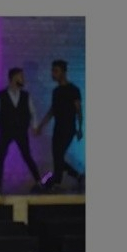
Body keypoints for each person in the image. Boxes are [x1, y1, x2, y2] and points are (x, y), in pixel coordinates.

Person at [0, 68, 43, 194]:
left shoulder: (25, 95)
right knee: (0, 157)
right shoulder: (1, 95)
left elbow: (32, 112)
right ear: (14, 78)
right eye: (21, 76)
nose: (23, 79)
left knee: (27, 155)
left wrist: (34, 126)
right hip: (6, 130)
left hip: (21, 130)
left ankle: (39, 181)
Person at [36, 59, 85, 192]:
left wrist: (80, 128)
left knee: (58, 157)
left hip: (69, 129)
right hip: (57, 129)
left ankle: (56, 182)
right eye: (52, 71)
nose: (53, 74)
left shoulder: (73, 89)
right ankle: (78, 176)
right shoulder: (56, 91)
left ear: (63, 72)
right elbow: (52, 110)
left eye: (56, 71)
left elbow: (78, 110)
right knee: (58, 158)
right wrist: (41, 125)